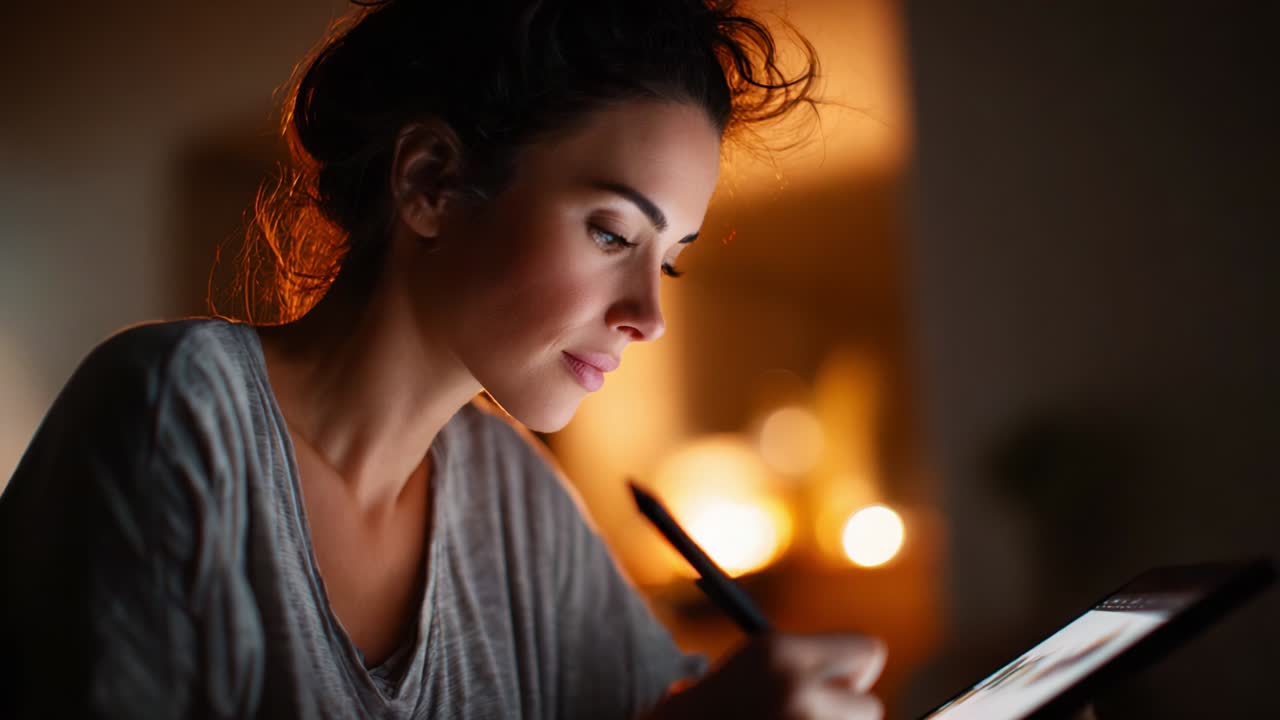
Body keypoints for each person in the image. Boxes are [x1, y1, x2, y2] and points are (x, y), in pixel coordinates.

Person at [0, 0, 889, 718]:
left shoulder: (517, 503)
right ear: (430, 182)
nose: (648, 318)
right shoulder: (178, 411)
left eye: (669, 261)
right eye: (612, 233)